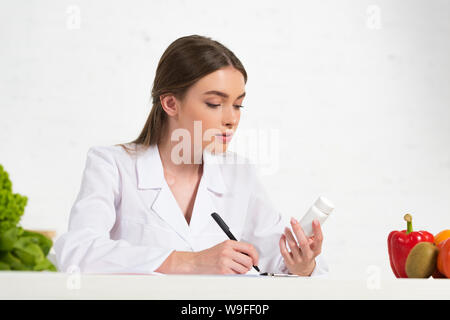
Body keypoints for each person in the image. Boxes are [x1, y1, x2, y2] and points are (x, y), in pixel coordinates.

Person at [54, 34, 328, 276]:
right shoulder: (112, 165)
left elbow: (277, 258)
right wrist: (191, 262)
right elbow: (78, 253)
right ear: (171, 103)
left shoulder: (238, 173)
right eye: (214, 103)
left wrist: (301, 265)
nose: (231, 119)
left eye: (238, 105)